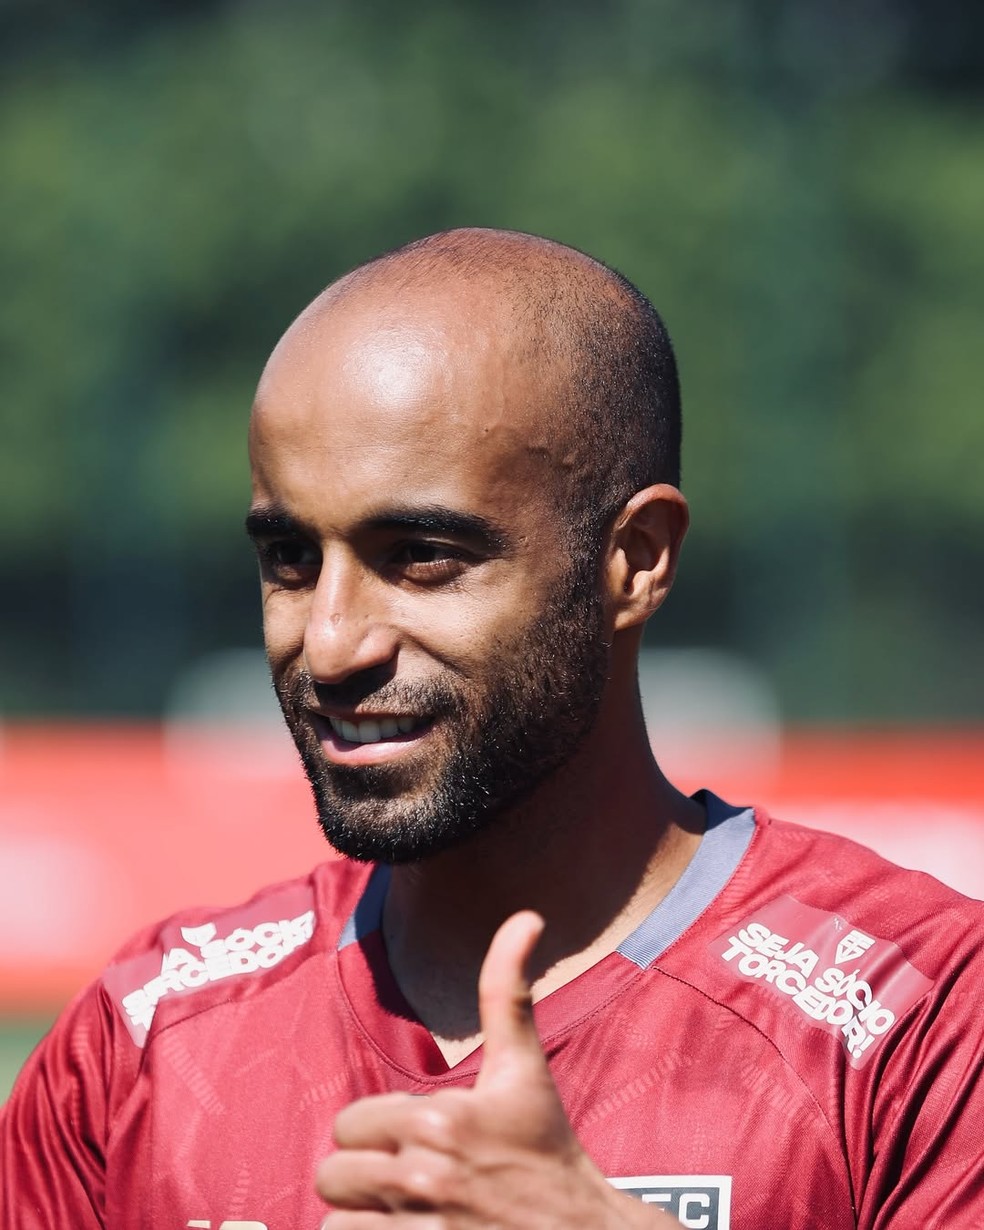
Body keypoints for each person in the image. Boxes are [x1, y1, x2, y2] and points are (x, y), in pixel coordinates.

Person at [2, 228, 982, 1229]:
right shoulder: (145, 1045)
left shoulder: (925, 1020)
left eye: (421, 556)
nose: (330, 645)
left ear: (636, 560)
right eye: (292, 559)